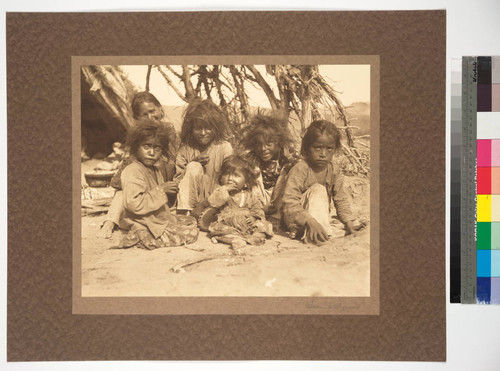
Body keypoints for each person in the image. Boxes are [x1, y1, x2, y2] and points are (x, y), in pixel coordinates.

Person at [98, 91, 178, 238]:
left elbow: (178, 161)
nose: (150, 117)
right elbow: (118, 182)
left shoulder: (170, 132)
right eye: (144, 115)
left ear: (160, 109)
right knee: (122, 191)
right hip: (144, 193)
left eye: (152, 111)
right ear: (136, 118)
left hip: (168, 189)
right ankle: (110, 222)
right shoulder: (138, 140)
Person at [119, 120, 198, 250]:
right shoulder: (132, 171)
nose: (152, 152)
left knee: (191, 221)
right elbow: (133, 204)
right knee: (192, 233)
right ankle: (140, 238)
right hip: (143, 223)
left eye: (157, 148)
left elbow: (159, 202)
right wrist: (161, 190)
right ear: (135, 147)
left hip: (155, 219)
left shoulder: (155, 169)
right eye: (146, 146)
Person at [282, 120, 356, 245]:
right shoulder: (301, 169)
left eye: (329, 149)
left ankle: (318, 230)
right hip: (298, 219)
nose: (323, 154)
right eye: (317, 148)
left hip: (318, 217)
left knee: (349, 222)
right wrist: (310, 221)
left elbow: (340, 199)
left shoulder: (334, 170)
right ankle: (317, 233)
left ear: (335, 150)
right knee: (318, 188)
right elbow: (290, 203)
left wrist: (349, 224)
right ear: (306, 149)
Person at [174, 99, 233, 215]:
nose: (203, 133)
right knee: (193, 166)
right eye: (198, 128)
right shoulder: (186, 149)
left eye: (208, 128)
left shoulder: (225, 148)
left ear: (216, 128)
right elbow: (177, 181)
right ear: (191, 129)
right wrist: (192, 164)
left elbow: (231, 179)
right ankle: (185, 213)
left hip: (215, 202)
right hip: (190, 203)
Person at [200, 156, 273, 249]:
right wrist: (224, 189)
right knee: (219, 228)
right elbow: (213, 202)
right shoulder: (221, 192)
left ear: (246, 182)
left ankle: (255, 236)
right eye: (226, 174)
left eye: (236, 176)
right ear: (221, 179)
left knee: (265, 225)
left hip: (247, 224)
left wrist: (254, 217)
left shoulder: (250, 195)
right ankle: (234, 240)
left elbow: (257, 208)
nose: (230, 178)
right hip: (228, 224)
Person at [239, 113, 296, 216]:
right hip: (256, 201)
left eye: (269, 144)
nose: (263, 149)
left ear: (278, 143)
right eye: (259, 144)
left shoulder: (287, 159)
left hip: (280, 202)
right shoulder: (249, 159)